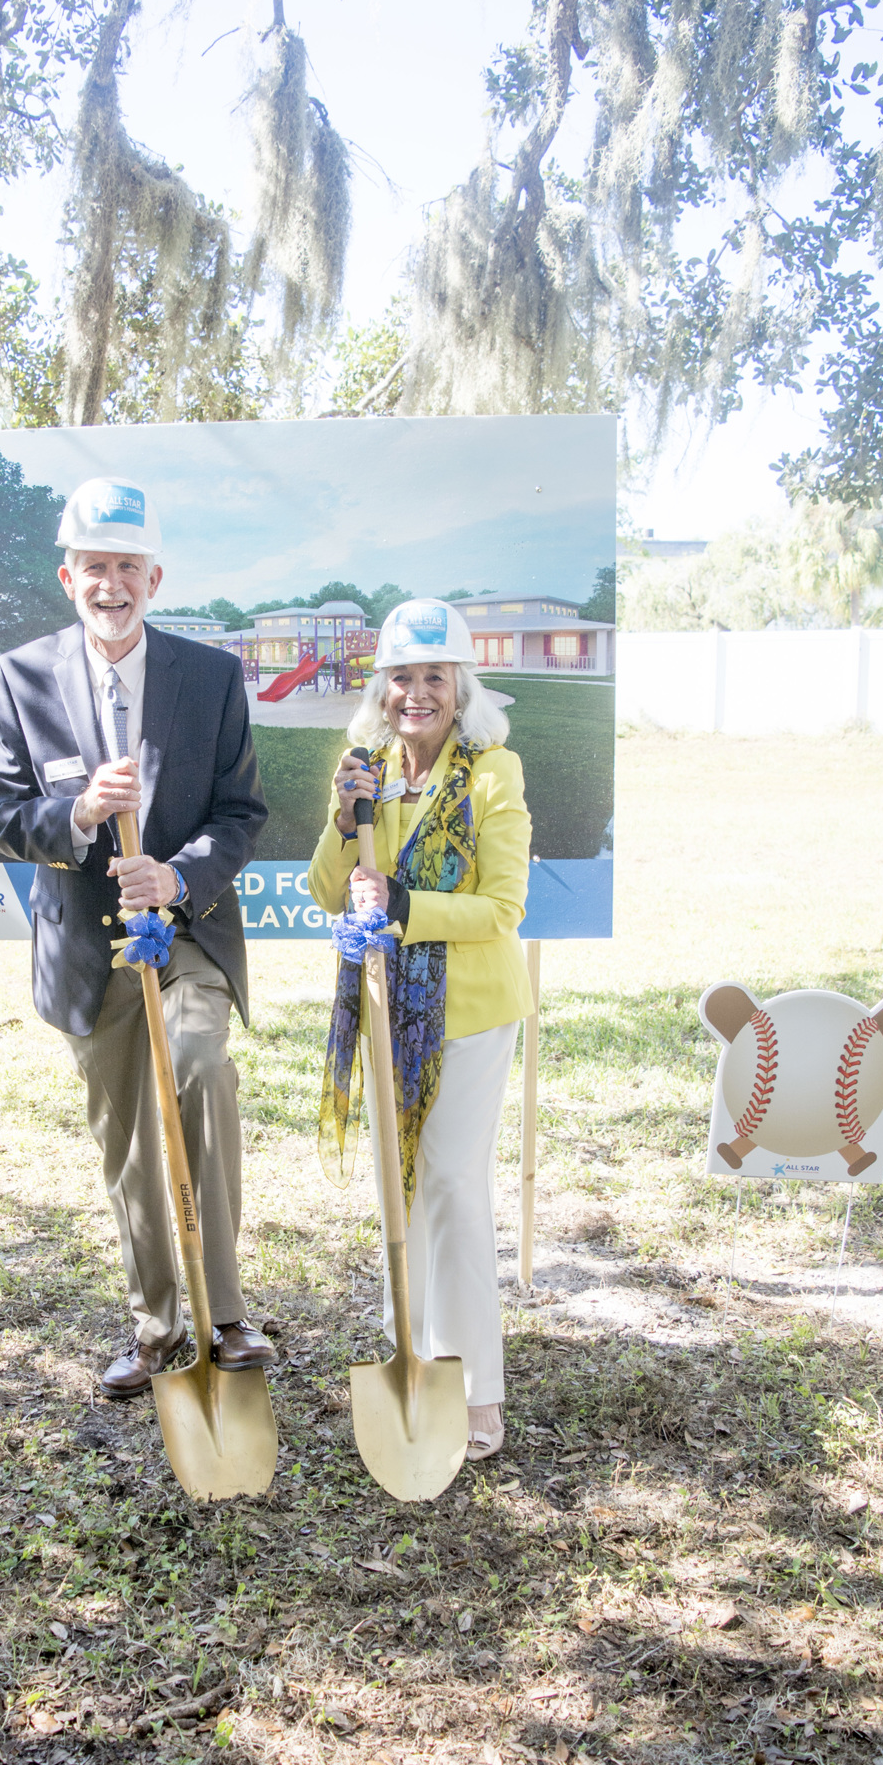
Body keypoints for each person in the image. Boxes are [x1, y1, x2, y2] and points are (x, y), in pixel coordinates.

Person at [0, 475, 277, 1395]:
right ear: (68, 578)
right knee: (127, 1139)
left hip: (185, 933)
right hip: (83, 948)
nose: (111, 583)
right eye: (94, 567)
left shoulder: (211, 675)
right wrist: (76, 814)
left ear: (156, 577)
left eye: (127, 567)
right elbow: (1, 813)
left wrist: (178, 874)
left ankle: (224, 1314)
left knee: (195, 1067)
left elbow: (239, 813)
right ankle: (157, 1323)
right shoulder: (20, 676)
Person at [308, 598, 533, 1460]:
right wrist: (340, 822)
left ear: (459, 684)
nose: (415, 693)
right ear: (382, 685)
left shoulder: (490, 773)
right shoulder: (362, 765)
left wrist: (402, 905)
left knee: (448, 1181)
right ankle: (424, 1349)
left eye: (432, 676)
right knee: (403, 1190)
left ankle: (477, 1382)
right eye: (401, 676)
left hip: (469, 1013)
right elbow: (334, 894)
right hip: (385, 1010)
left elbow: (501, 907)